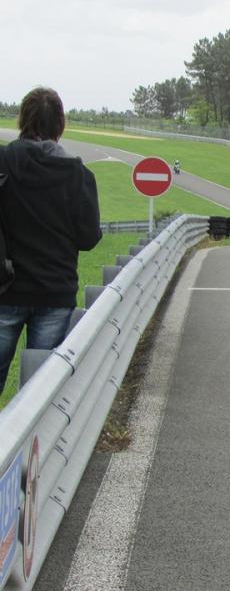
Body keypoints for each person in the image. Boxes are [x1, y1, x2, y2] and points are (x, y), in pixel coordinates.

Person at [0, 87, 102, 393]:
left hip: (5, 288)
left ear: (22, 120)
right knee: (39, 395)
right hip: (55, 293)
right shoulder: (78, 175)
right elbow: (88, 238)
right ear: (60, 124)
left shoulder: (3, 162)